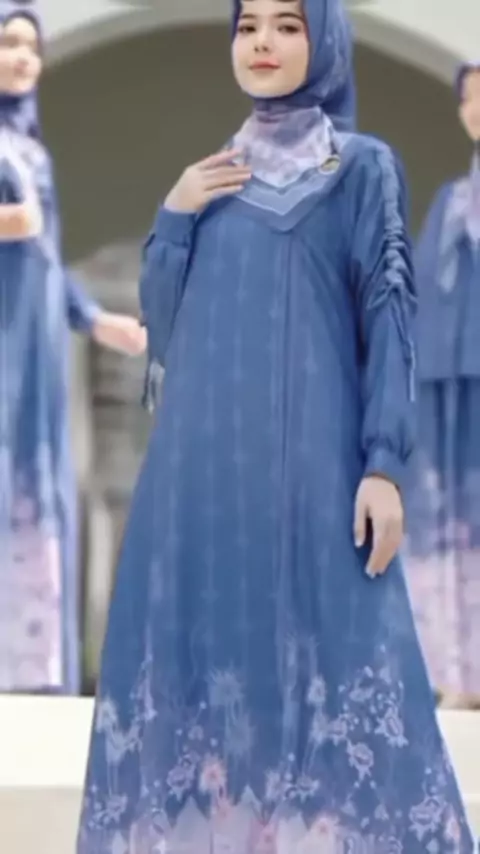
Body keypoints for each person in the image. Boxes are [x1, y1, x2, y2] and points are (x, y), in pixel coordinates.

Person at [77, 0, 473, 850]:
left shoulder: (360, 169)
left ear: (324, 40)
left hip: (317, 468)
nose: (262, 41)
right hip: (204, 473)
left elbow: (389, 319)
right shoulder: (210, 179)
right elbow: (165, 329)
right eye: (248, 24)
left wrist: (383, 464)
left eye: (288, 25)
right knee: (214, 670)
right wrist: (176, 212)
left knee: (339, 657)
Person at [0, 3, 146, 694]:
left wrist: (93, 319)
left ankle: (27, 663)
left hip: (32, 343)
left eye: (31, 46)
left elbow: (48, 257)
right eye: (9, 42)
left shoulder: (32, 153)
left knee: (33, 478)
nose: (22, 57)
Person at [405, 62, 480, 711]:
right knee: (448, 524)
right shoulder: (452, 200)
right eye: (470, 97)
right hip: (445, 381)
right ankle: (460, 673)